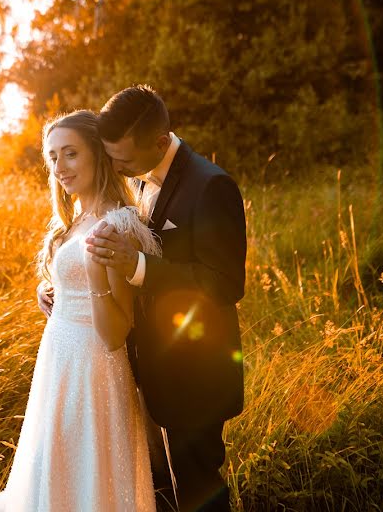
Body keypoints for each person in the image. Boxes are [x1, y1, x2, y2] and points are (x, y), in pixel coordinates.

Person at [82, 85, 248, 512]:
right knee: (169, 484)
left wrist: (138, 267)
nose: (116, 168)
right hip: (157, 365)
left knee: (197, 489)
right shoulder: (142, 180)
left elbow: (225, 284)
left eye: (123, 159)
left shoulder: (211, 186)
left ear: (160, 141)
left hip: (195, 371)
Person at [0, 110, 161, 512]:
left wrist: (95, 277)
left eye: (70, 154)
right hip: (59, 362)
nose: (60, 167)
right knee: (58, 471)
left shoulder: (115, 224)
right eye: (52, 157)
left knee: (88, 476)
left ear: (98, 156)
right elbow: (73, 281)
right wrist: (49, 292)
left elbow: (117, 332)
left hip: (93, 368)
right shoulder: (76, 219)